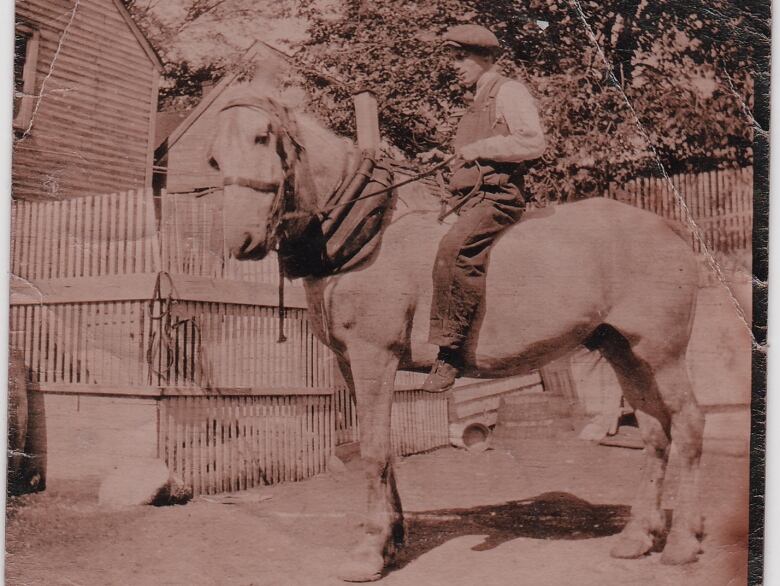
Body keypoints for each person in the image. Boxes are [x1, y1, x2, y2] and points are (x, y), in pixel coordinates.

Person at [421, 24, 547, 392]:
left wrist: (478, 149)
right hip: (472, 200)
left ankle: (450, 353)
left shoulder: (508, 91)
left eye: (462, 58)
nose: (455, 66)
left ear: (489, 59)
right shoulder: (477, 100)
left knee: (455, 248)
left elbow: (533, 142)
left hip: (498, 200)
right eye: (453, 59)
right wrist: (449, 157)